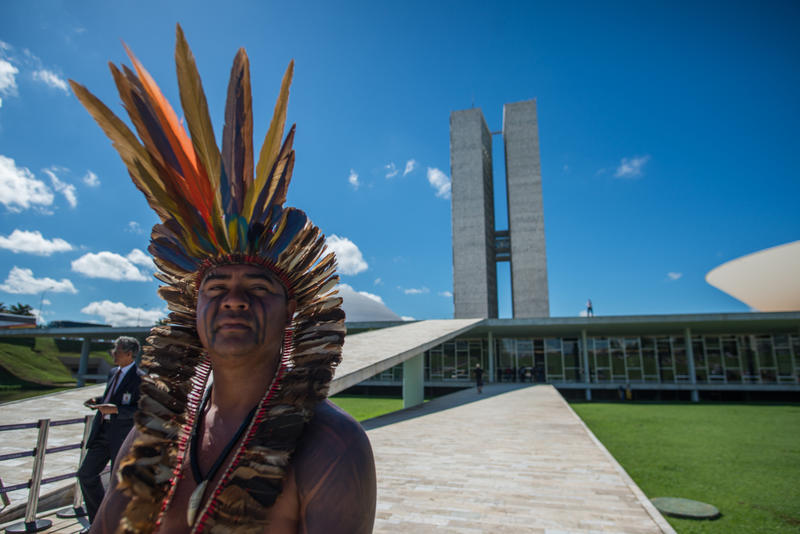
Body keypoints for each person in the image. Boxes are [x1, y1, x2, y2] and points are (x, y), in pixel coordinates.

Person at [70, 24, 376, 534]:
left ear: (292, 313)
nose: (233, 300)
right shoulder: (152, 437)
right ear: (194, 311)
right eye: (216, 288)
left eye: (258, 289)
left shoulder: (331, 448)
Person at [77, 336, 142, 530]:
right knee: (86, 474)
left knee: (119, 485)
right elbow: (113, 396)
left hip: (121, 437)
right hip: (102, 433)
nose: (113, 353)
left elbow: (141, 409)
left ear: (129, 354)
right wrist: (97, 400)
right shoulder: (113, 372)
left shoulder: (141, 378)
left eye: (117, 350)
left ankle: (117, 525)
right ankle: (98, 521)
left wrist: (116, 410)